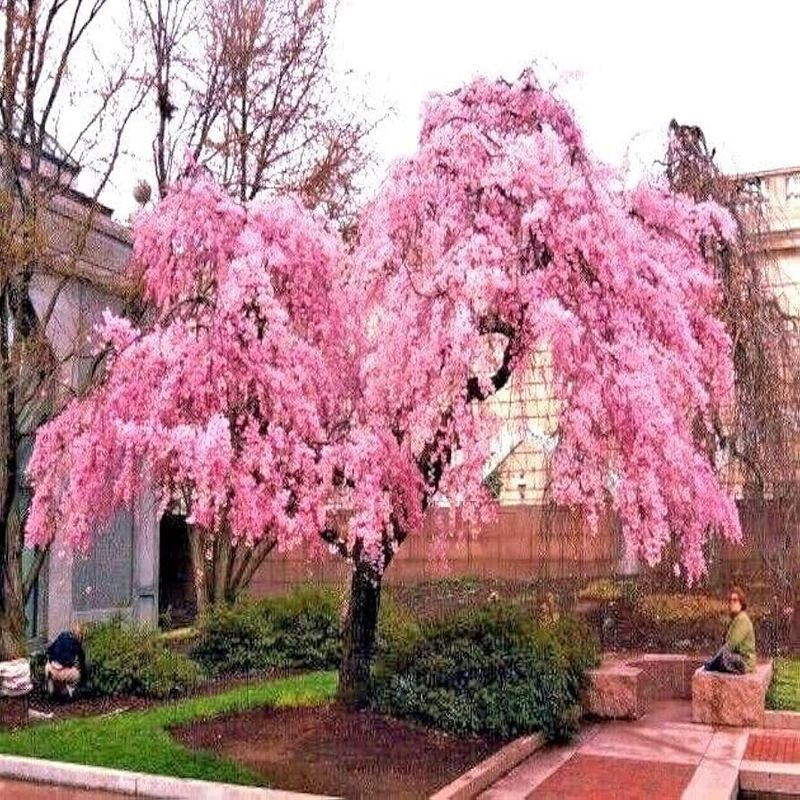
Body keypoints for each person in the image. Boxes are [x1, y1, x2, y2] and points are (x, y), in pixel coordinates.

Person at [704, 586, 756, 674]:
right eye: (730, 600)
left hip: (744, 662)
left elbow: (731, 644)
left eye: (735, 600)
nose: (732, 603)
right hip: (735, 657)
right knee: (720, 657)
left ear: (741, 602)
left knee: (722, 657)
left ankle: (715, 663)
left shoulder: (742, 619)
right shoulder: (735, 619)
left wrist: (714, 659)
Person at [44, 623, 86, 700]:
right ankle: (69, 691)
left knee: (50, 665)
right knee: (77, 675)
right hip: (64, 673)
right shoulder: (77, 644)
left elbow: (48, 650)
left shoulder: (62, 635)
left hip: (50, 669)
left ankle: (51, 688)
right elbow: (82, 665)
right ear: (80, 635)